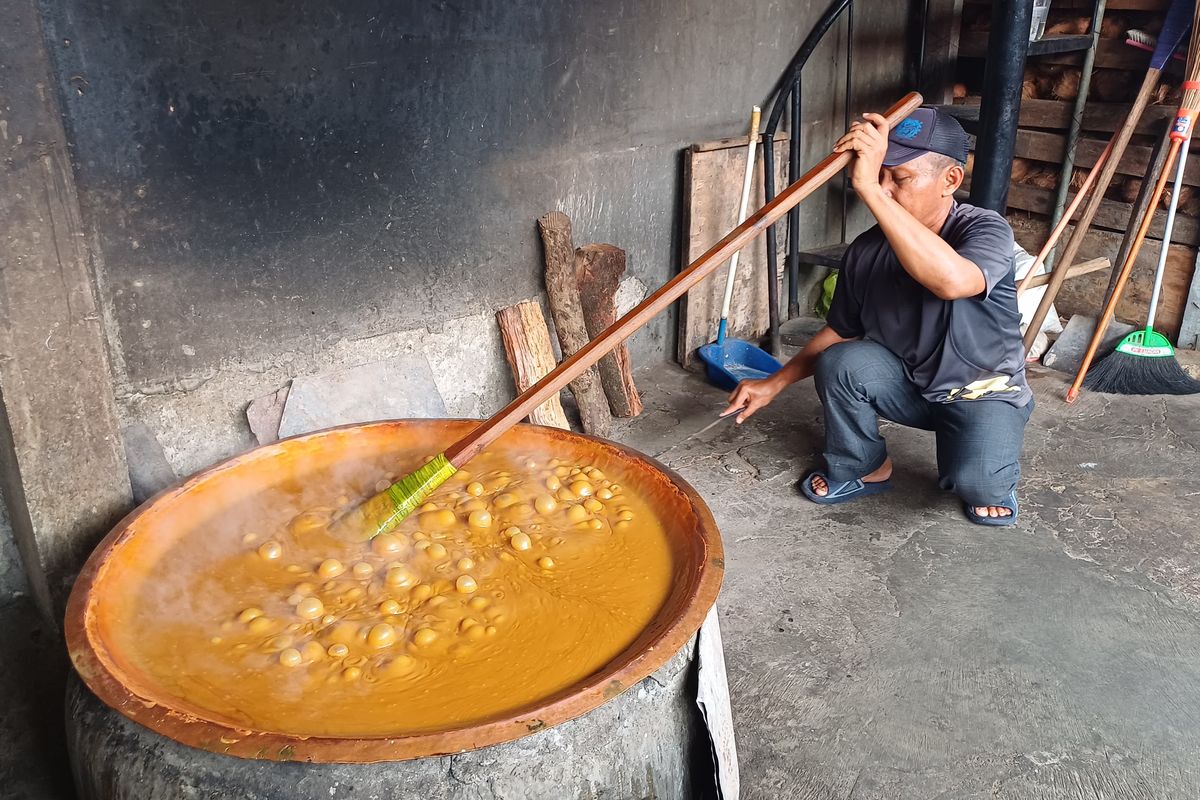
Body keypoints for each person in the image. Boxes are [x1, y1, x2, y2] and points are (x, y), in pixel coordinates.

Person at [722, 106, 1032, 527]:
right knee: (843, 362)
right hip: (909, 386)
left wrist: (867, 185)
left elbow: (954, 282)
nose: (884, 190)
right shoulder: (867, 250)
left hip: (980, 392)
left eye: (899, 178)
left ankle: (989, 465)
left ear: (951, 180)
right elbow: (839, 332)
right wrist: (772, 384)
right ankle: (864, 466)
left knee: (976, 487)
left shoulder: (983, 230)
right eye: (879, 174)